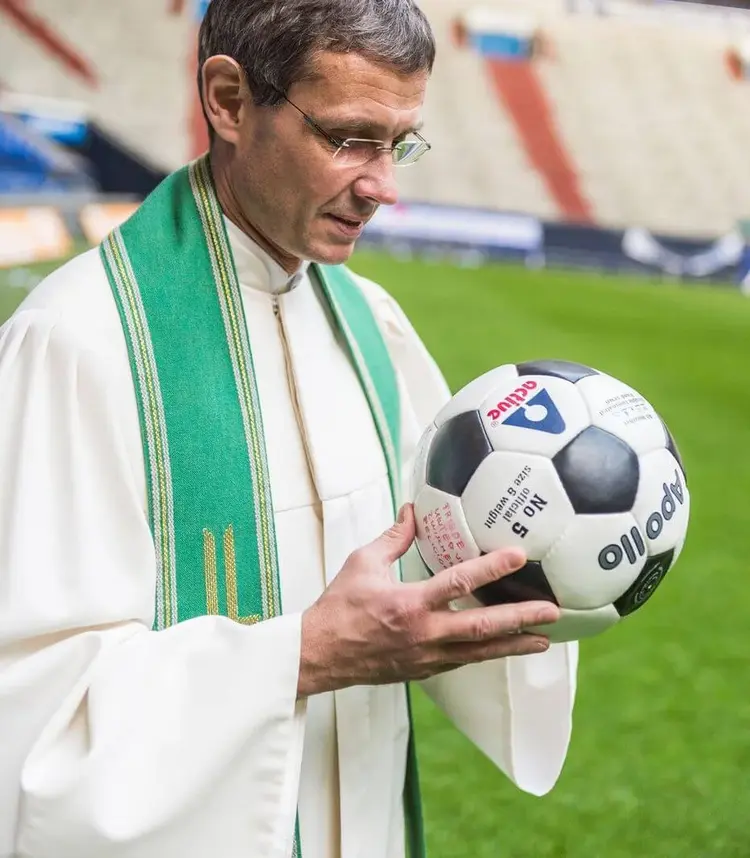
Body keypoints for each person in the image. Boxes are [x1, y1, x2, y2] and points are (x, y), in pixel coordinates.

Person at [0, 1, 578, 856]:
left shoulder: (368, 323)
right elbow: (31, 719)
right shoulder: (77, 342)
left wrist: (561, 549)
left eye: (400, 142)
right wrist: (302, 655)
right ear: (229, 101)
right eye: (348, 137)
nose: (382, 185)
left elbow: (443, 558)